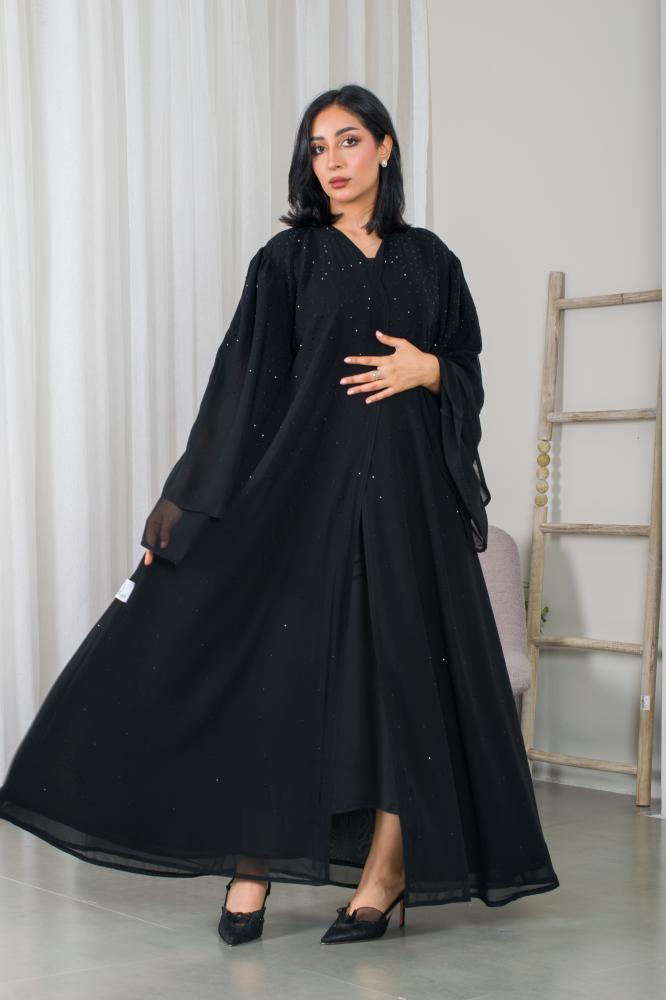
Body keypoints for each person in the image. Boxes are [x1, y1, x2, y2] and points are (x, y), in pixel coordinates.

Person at [0, 84, 559, 947]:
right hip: (309, 494)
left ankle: (385, 874)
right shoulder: (288, 261)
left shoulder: (432, 262)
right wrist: (185, 509)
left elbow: (467, 370)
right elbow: (241, 391)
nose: (332, 161)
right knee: (281, 676)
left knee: (405, 682)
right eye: (317, 148)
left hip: (411, 504)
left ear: (385, 147)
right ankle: (252, 861)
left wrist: (432, 372)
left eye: (348, 141)